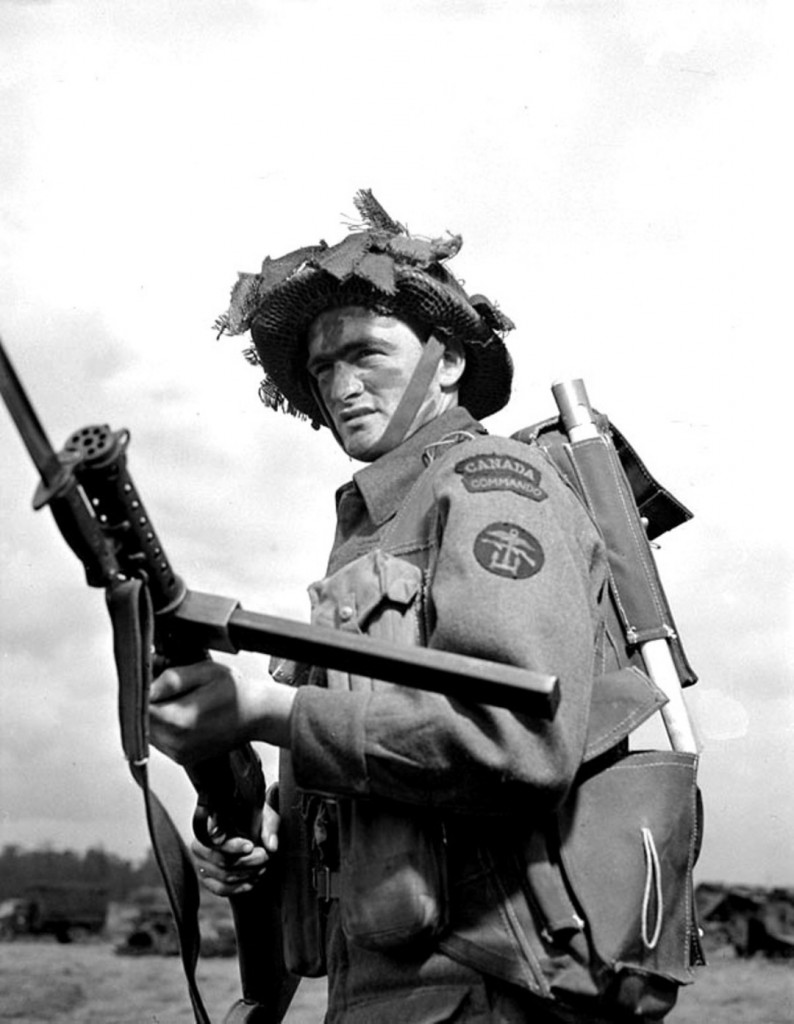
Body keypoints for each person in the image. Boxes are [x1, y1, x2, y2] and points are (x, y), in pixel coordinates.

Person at [148, 191, 668, 1023]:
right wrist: (269, 841)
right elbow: (377, 776)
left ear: (447, 362)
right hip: (394, 987)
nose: (341, 386)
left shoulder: (493, 483)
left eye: (367, 354)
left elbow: (518, 734)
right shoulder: (370, 532)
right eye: (322, 369)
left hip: (494, 990)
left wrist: (267, 709)